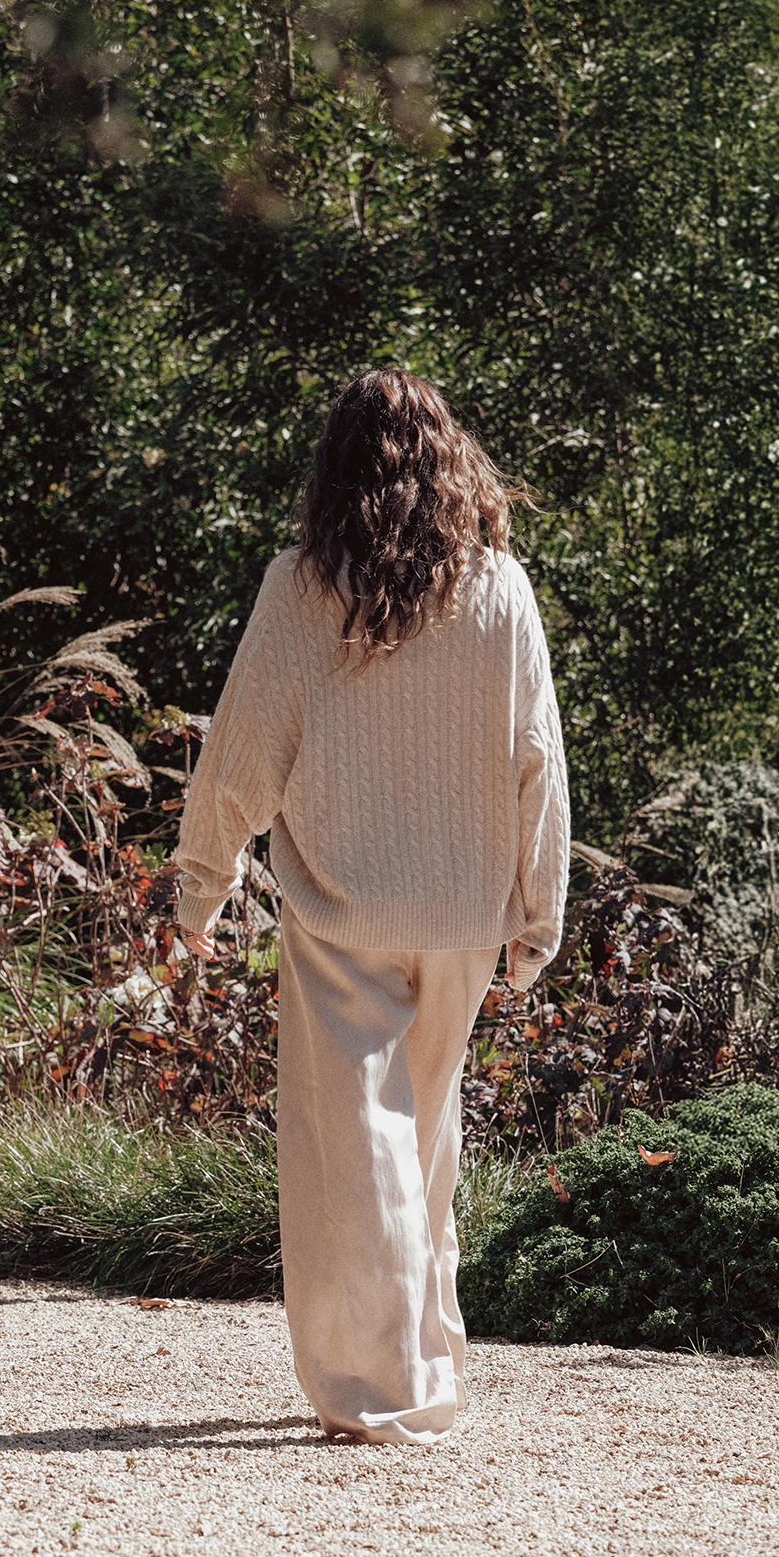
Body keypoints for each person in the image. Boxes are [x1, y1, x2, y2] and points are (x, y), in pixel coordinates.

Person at [174, 369, 568, 1443]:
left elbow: (239, 760)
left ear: (332, 472)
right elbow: (538, 764)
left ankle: (383, 1390)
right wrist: (539, 913)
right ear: (451, 469)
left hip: (345, 914)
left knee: (356, 1153)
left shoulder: (301, 589)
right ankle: (426, 1358)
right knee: (422, 1145)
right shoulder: (500, 590)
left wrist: (197, 888)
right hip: (461, 919)